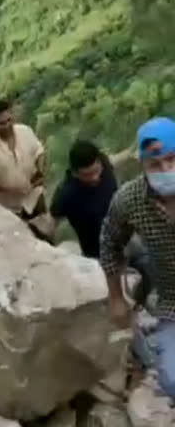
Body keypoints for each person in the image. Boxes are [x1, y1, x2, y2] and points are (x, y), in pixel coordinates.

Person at [100, 116, 175, 398]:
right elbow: (109, 243)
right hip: (172, 303)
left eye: (172, 159)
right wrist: (116, 297)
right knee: (172, 381)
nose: (166, 169)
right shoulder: (130, 200)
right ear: (142, 165)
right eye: (156, 164)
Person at [51, 140, 152, 305]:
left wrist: (129, 154)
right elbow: (52, 222)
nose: (95, 177)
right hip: (99, 253)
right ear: (75, 173)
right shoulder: (66, 194)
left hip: (127, 236)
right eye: (87, 175)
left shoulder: (104, 162)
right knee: (123, 293)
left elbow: (113, 160)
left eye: (96, 171)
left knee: (153, 265)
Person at [0, 99, 46, 219]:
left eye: (9, 121)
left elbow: (39, 152)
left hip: (34, 196)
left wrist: (41, 170)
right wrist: (9, 188)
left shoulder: (25, 131)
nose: (7, 126)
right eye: (2, 123)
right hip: (9, 208)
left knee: (45, 228)